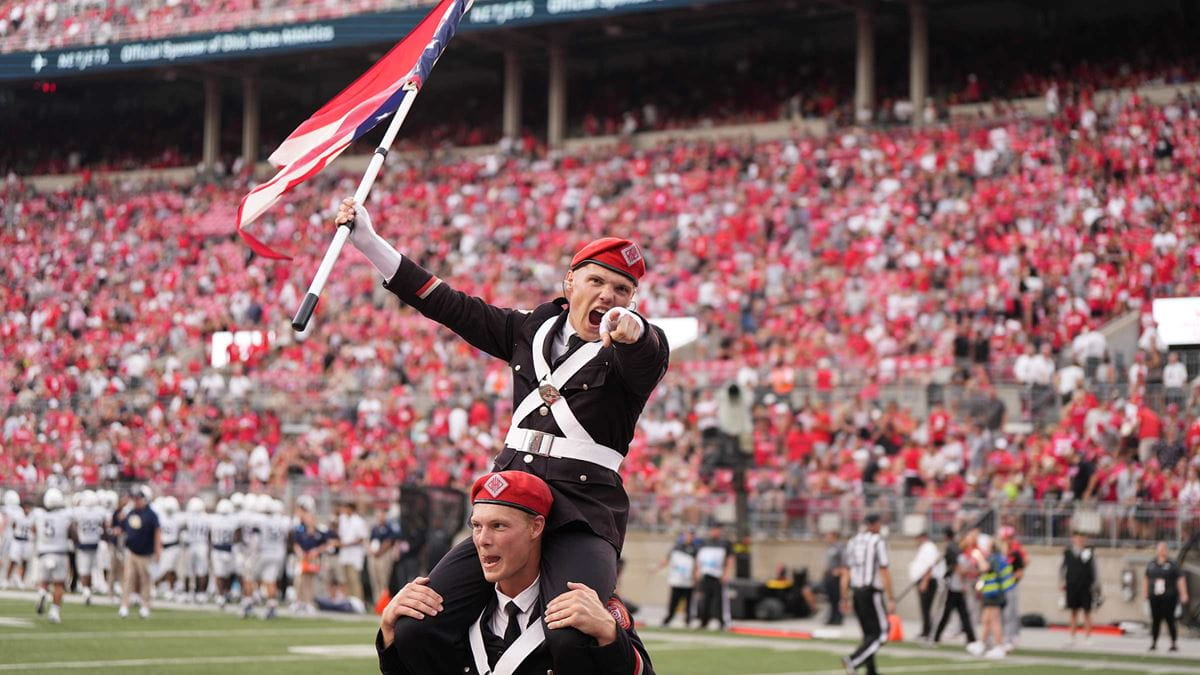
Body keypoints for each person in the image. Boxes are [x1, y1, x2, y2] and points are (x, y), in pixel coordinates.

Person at [338, 197, 669, 674]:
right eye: (596, 281)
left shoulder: (631, 349)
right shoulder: (527, 330)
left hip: (583, 511)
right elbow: (446, 303)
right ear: (569, 282)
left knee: (575, 635)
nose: (608, 296)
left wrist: (633, 328)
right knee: (413, 624)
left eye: (622, 289)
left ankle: (624, 639)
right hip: (508, 505)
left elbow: (648, 353)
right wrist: (368, 240)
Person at [376, 471, 654, 674]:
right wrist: (390, 633)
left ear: (536, 527)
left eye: (499, 526)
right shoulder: (454, 617)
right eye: (476, 526)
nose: (482, 540)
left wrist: (609, 634)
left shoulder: (583, 608)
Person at [842, 513, 896, 675]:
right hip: (872, 593)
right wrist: (891, 597)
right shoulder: (878, 541)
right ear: (875, 524)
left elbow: (846, 572)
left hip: (857, 593)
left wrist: (844, 596)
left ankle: (871, 671)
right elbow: (884, 570)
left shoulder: (853, 541)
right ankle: (854, 660)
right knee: (882, 633)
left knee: (868, 635)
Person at [117, 485, 161, 619]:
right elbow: (124, 528)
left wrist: (158, 551)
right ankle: (125, 605)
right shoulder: (131, 513)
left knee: (145, 580)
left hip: (146, 553)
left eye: (138, 499)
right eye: (134, 499)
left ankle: (145, 606)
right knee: (128, 579)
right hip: (131, 551)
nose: (136, 501)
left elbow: (157, 533)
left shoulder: (151, 515)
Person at [33, 488, 74, 624]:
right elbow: (71, 532)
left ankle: (42, 593)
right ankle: (54, 612)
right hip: (59, 552)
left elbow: (34, 530)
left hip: (44, 552)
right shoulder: (65, 515)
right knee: (58, 584)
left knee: (44, 581)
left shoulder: (39, 515)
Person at [972, 534, 1013, 659]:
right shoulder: (994, 557)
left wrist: (978, 557)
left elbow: (985, 568)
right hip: (990, 593)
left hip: (995, 593)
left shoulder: (995, 558)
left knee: (994, 620)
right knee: (986, 620)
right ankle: (981, 643)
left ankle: (999, 647)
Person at [1146, 541, 1188, 652]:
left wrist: (1183, 593)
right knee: (1155, 620)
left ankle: (1173, 643)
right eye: (1160, 549)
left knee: (1170, 620)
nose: (1161, 551)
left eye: (1163, 549)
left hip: (1169, 596)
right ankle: (1154, 642)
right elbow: (1146, 578)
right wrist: (1145, 593)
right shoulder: (1152, 564)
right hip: (1155, 596)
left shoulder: (1173, 564)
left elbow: (1180, 579)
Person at [1061, 531, 1097, 644]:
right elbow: (1062, 569)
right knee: (1073, 611)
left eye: (1082, 538)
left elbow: (1094, 569)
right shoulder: (1068, 552)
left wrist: (1095, 584)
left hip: (1086, 585)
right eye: (1077, 538)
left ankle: (1088, 636)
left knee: (1087, 611)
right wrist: (1062, 582)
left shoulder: (1089, 551)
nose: (1080, 540)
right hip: (1072, 585)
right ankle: (1072, 636)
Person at [694, 525, 733, 630]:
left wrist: (726, 573)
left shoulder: (725, 543)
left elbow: (730, 559)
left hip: (718, 575)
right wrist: (697, 570)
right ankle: (704, 622)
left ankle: (722, 622)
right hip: (706, 574)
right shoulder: (704, 542)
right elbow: (699, 558)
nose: (715, 532)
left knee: (719, 601)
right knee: (705, 600)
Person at [908, 528, 943, 641]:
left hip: (928, 581)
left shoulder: (929, 547)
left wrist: (925, 581)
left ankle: (927, 632)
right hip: (924, 580)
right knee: (924, 608)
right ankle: (925, 631)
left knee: (926, 608)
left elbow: (930, 566)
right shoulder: (924, 547)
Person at [659, 530, 697, 628]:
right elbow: (667, 559)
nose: (689, 537)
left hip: (688, 581)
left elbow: (697, 564)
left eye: (691, 535)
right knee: (673, 602)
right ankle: (667, 620)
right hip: (677, 580)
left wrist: (695, 576)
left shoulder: (695, 548)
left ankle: (688, 621)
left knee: (688, 603)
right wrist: (657, 568)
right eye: (688, 534)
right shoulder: (677, 547)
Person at [997, 526, 1026, 650]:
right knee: (1001, 614)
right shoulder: (998, 554)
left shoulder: (1015, 554)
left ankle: (1010, 637)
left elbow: (1019, 572)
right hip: (999, 588)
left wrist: (1011, 579)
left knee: (1010, 613)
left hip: (1010, 587)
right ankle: (1003, 636)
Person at [336, 501, 369, 604]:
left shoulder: (359, 521)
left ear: (351, 509)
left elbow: (361, 538)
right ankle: (349, 602)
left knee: (354, 580)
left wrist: (348, 544)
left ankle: (358, 602)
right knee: (345, 580)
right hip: (345, 554)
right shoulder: (342, 519)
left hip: (355, 555)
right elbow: (341, 535)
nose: (344, 511)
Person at [369, 507, 398, 604]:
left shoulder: (389, 527)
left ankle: (384, 602)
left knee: (383, 579)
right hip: (374, 555)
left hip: (384, 555)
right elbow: (371, 541)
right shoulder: (375, 528)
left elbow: (389, 541)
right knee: (375, 579)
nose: (379, 517)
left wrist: (380, 551)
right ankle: (377, 602)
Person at [820, 530, 847, 625]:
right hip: (829, 575)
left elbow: (844, 561)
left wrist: (839, 570)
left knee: (837, 598)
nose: (827, 537)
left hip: (837, 577)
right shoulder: (830, 547)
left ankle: (838, 618)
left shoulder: (840, 547)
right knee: (831, 598)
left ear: (834, 536)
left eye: (828, 535)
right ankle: (831, 617)